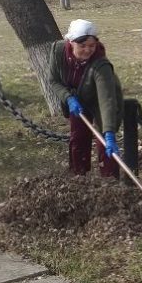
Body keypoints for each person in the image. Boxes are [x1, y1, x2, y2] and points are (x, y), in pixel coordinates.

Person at [48, 18, 124, 177]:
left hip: (100, 99)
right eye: (82, 46)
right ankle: (79, 176)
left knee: (104, 139)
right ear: (71, 42)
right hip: (76, 99)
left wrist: (109, 131)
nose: (88, 50)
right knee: (78, 137)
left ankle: (110, 180)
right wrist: (68, 98)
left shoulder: (100, 64)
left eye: (92, 45)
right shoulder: (58, 52)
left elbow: (106, 99)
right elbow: (53, 80)